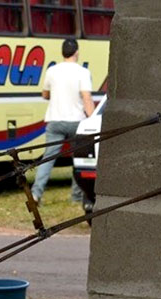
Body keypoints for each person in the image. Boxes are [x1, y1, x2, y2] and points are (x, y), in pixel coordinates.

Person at [30, 38, 95, 205]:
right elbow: (87, 98)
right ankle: (77, 196)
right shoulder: (83, 72)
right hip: (76, 122)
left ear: (62, 53)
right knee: (78, 159)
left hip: (55, 121)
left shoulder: (52, 71)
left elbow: (44, 94)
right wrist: (93, 119)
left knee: (48, 158)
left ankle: (36, 194)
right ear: (77, 52)